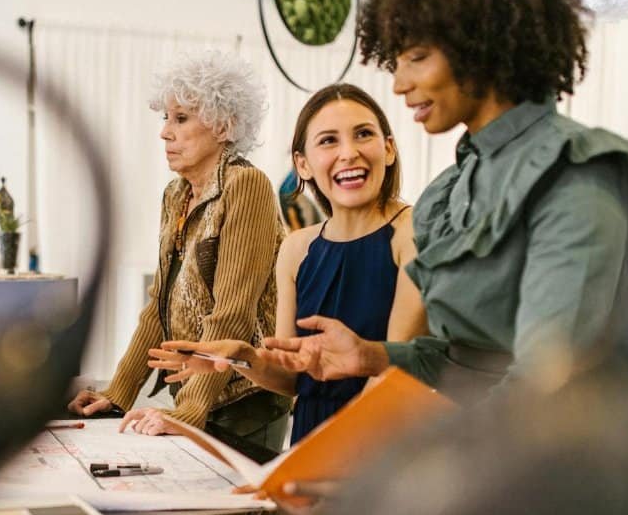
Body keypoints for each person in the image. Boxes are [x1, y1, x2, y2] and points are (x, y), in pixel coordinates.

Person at [259, 0, 628, 406]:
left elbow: (542, 382)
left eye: (416, 57)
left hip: (559, 465)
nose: (398, 84)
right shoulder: (450, 192)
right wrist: (371, 355)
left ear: (481, 48)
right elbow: (462, 361)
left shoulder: (575, 172)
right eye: (396, 62)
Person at [149, 84, 426, 444]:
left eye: (363, 134)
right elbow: (291, 376)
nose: (349, 153)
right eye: (328, 141)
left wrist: (318, 468)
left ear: (388, 149)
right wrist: (242, 356)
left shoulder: (414, 232)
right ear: (303, 165)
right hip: (312, 442)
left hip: (382, 448)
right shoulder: (297, 248)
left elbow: (390, 375)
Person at [66, 50, 291, 452]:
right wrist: (118, 393)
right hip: (199, 396)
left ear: (225, 126)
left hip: (244, 402)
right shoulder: (176, 195)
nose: (165, 132)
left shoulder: (247, 186)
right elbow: (159, 308)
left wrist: (189, 411)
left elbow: (232, 315)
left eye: (181, 118)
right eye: (165, 118)